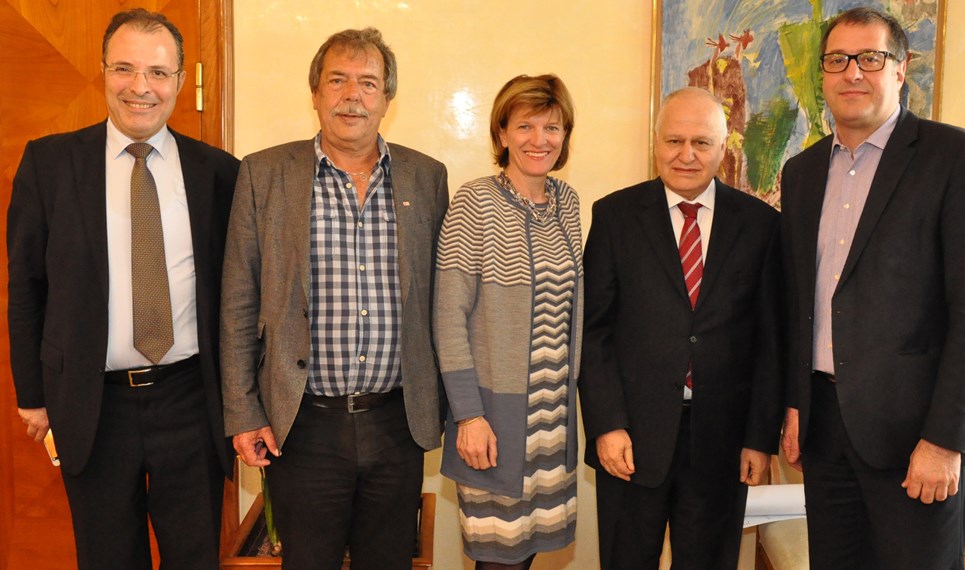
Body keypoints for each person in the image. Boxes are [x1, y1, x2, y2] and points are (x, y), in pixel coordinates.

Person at [6, 8, 238, 569]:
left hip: (191, 400)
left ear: (181, 81)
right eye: (125, 69)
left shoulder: (220, 173)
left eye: (158, 72)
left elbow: (239, 296)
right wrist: (32, 395)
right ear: (103, 72)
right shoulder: (50, 163)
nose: (141, 87)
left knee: (195, 557)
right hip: (93, 403)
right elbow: (25, 285)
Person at [779, 7, 965, 569]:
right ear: (821, 75)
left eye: (870, 58)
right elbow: (800, 304)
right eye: (837, 60)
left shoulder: (957, 157)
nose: (853, 72)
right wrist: (796, 405)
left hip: (918, 437)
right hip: (826, 433)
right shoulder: (801, 174)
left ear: (901, 71)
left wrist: (946, 440)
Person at [220, 27, 449, 570]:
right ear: (316, 93)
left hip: (398, 422)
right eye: (338, 80)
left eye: (368, 83)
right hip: (302, 426)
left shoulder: (427, 176)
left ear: (387, 98)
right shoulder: (264, 173)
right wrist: (242, 411)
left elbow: (445, 301)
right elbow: (237, 301)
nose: (353, 95)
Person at [579, 87, 783, 569]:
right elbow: (593, 331)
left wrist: (759, 436)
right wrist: (608, 425)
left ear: (723, 147)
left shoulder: (760, 224)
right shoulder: (614, 216)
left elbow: (770, 342)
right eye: (674, 141)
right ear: (655, 143)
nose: (686, 155)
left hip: (723, 442)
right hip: (631, 440)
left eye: (701, 143)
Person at [434, 74, 582, 570]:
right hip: (494, 420)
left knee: (531, 556)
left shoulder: (568, 203)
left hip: (551, 421)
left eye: (552, 127)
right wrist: (469, 416)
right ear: (501, 134)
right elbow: (448, 317)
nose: (539, 140)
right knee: (498, 561)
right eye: (525, 126)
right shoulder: (475, 202)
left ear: (565, 136)